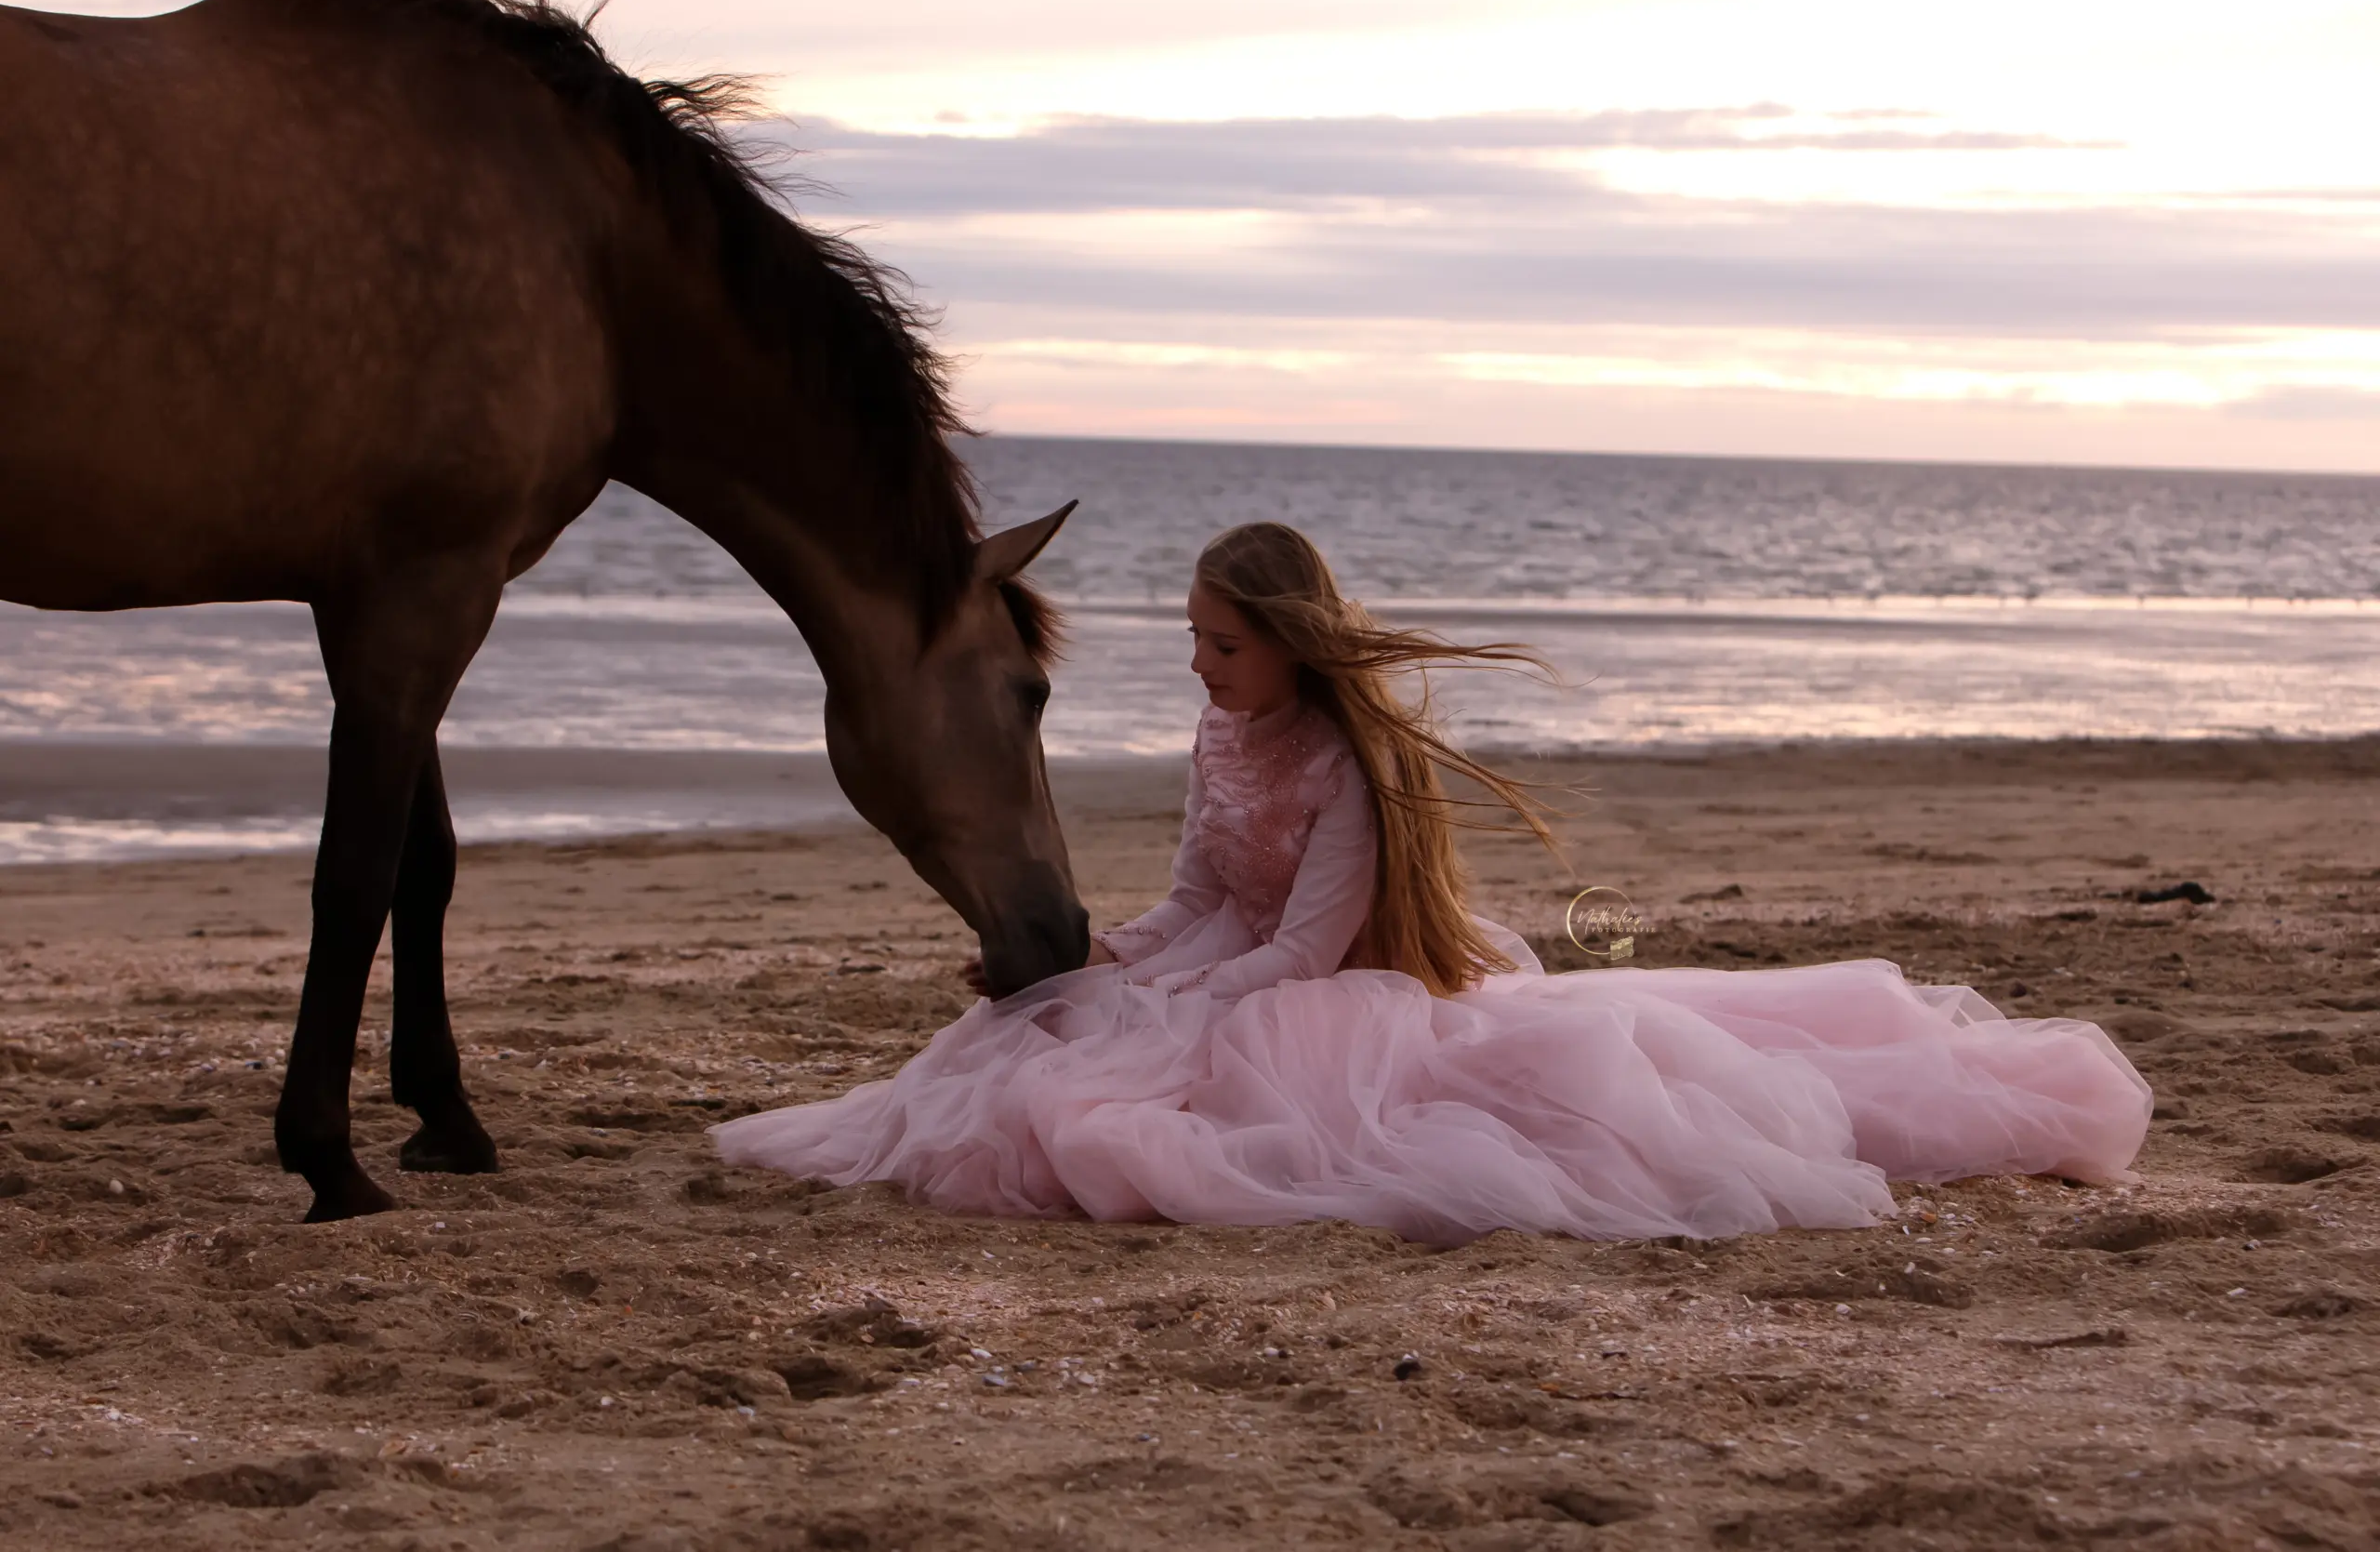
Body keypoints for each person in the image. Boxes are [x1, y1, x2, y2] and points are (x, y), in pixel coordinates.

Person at [712, 523, 2151, 1246]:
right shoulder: (1222, 731)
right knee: (1043, 1036)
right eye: (1195, 640)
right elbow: (1201, 897)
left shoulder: (1351, 766)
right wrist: (1105, 957)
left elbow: (1298, 950)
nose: (1197, 667)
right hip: (1249, 969)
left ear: (1286, 642)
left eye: (1220, 643)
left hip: (1338, 995)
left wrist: (1180, 1002)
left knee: (1187, 1100)